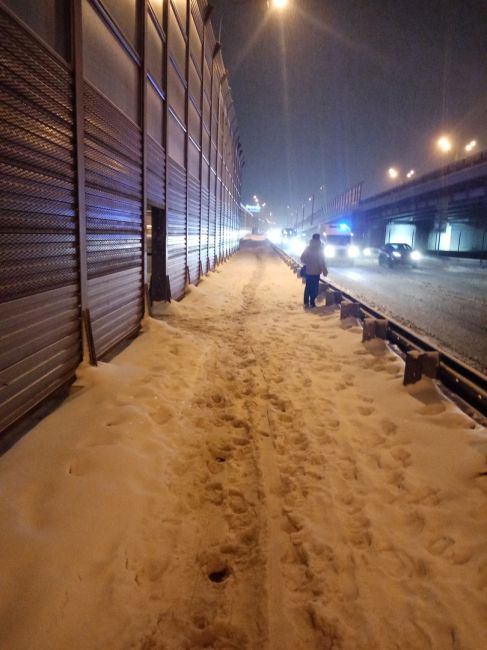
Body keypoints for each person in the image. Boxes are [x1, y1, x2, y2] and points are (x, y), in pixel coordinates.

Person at [300, 233, 328, 307]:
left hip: (309, 271)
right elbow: (322, 261)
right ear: (319, 239)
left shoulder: (308, 248)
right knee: (315, 288)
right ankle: (312, 302)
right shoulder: (320, 249)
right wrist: (324, 271)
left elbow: (302, 259)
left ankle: (306, 302)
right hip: (316, 272)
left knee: (308, 287)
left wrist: (308, 261)